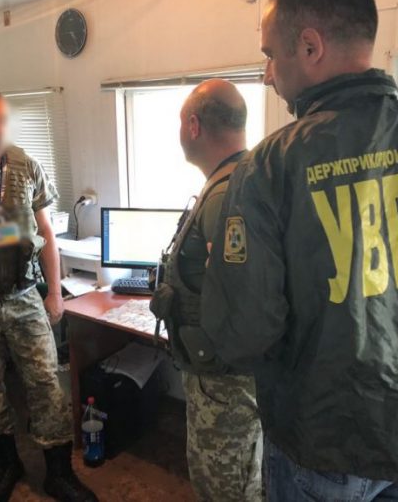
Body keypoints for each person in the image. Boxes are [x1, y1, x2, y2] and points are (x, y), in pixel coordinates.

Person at [202, 0, 398, 500]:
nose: (268, 74)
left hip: (323, 443)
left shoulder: (270, 166)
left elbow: (243, 335)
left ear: (310, 46)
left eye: (270, 55)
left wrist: (228, 275)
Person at [0, 84, 97, 502]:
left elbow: (46, 230)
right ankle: (6, 464)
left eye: (1, 121)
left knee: (47, 383)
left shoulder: (25, 165)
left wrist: (55, 294)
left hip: (23, 294)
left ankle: (59, 473)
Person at [151, 79, 262, 501]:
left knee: (224, 487)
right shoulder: (247, 176)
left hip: (224, 384)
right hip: (233, 376)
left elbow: (242, 293)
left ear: (194, 126)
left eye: (182, 123)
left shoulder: (225, 195)